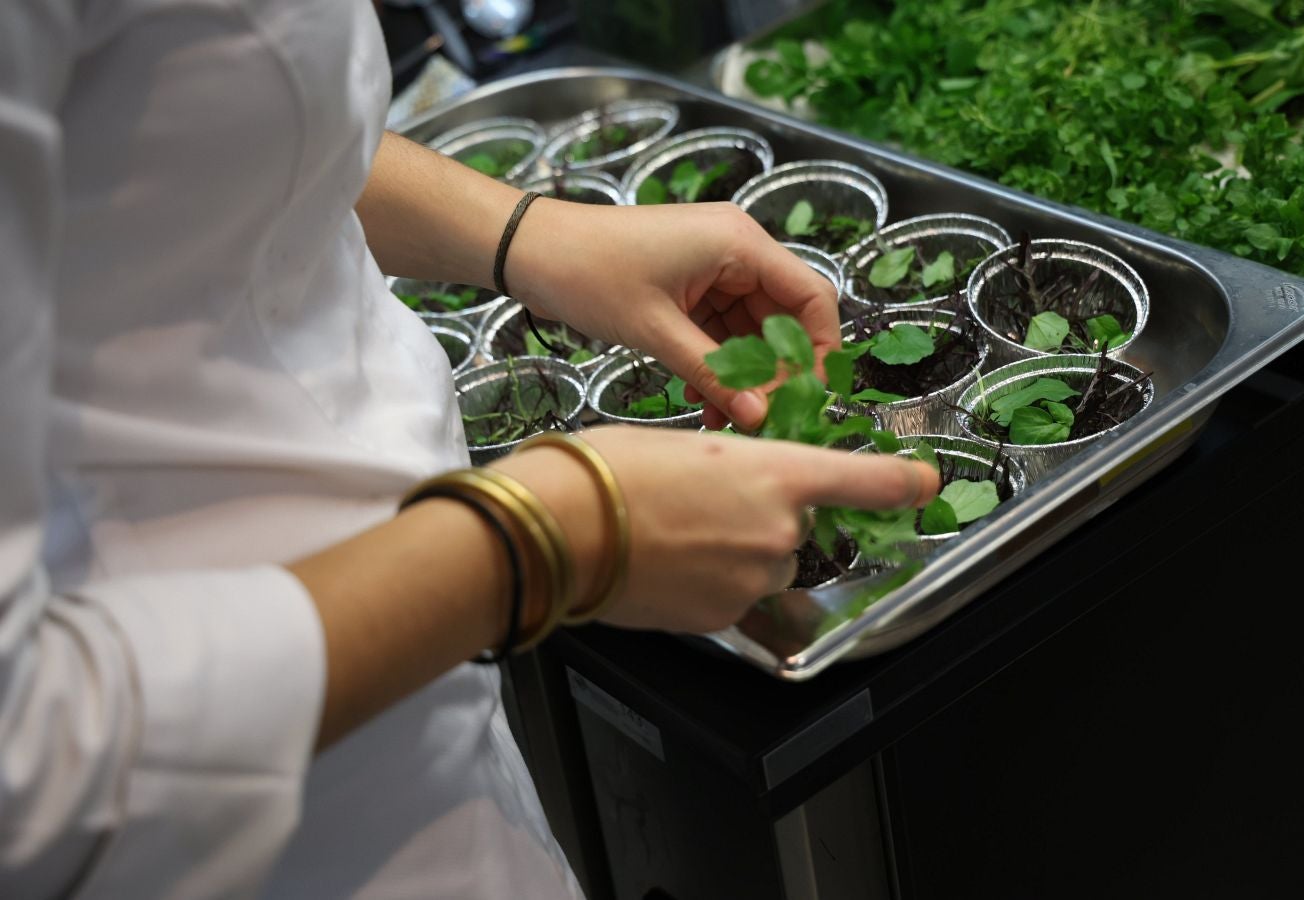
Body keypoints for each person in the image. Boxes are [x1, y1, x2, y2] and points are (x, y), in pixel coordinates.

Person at [0, 1, 939, 897]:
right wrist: (557, 534)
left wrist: (530, 234)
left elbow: (192, 138)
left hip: (411, 695)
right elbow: (25, 772)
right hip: (216, 815)